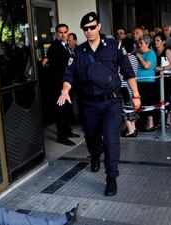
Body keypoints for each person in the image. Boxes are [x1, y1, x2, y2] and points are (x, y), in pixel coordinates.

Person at [57, 12, 141, 196]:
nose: (88, 31)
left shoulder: (114, 46)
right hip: (90, 104)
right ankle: (95, 153)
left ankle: (111, 177)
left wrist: (136, 95)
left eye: (92, 27)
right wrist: (65, 90)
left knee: (111, 140)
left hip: (112, 102)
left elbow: (128, 71)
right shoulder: (79, 52)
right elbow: (69, 74)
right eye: (85, 29)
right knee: (92, 137)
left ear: (99, 26)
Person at [47, 24, 80, 146]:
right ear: (56, 33)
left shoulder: (66, 46)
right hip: (59, 86)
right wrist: (62, 88)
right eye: (60, 32)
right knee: (60, 111)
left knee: (67, 110)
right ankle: (62, 136)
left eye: (65, 32)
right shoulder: (53, 48)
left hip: (67, 84)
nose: (63, 34)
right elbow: (55, 70)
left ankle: (67, 131)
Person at [153, 32, 171, 128]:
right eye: (154, 40)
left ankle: (168, 120)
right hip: (157, 79)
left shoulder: (167, 51)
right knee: (159, 99)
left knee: (166, 98)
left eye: (158, 40)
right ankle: (161, 119)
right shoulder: (154, 51)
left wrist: (163, 68)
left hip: (166, 78)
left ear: (163, 41)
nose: (156, 42)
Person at [136, 35, 157, 131]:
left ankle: (151, 124)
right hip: (138, 81)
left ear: (147, 44)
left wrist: (139, 57)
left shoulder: (151, 53)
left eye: (141, 43)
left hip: (148, 81)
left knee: (148, 102)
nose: (139, 45)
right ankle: (142, 123)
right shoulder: (139, 53)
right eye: (139, 43)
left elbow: (146, 66)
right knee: (141, 103)